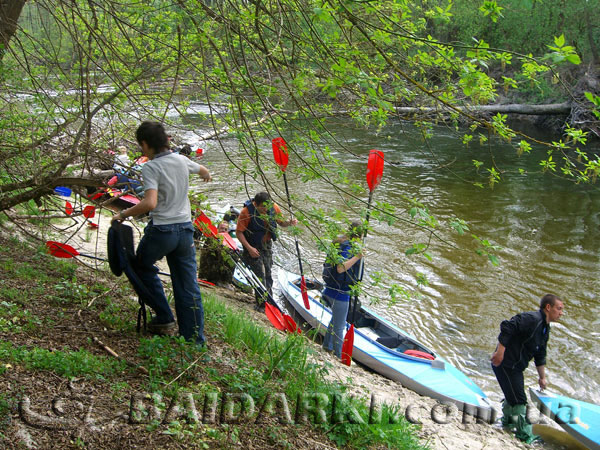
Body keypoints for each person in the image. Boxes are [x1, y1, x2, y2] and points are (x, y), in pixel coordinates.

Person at [111, 121, 212, 347]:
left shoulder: (150, 167)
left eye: (141, 145)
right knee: (188, 285)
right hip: (186, 231)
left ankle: (164, 316)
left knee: (140, 267)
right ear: (166, 141)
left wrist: (124, 214)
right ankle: (194, 339)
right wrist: (206, 176)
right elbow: (204, 170)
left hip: (162, 231)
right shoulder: (182, 160)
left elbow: (150, 202)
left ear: (146, 144)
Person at [490, 294, 564, 444]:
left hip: (516, 367)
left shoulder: (544, 329)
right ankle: (525, 436)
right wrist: (500, 352)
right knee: (519, 401)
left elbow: (540, 354)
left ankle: (507, 424)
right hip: (506, 364)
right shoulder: (533, 319)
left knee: (513, 397)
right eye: (559, 308)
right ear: (548, 307)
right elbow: (508, 326)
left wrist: (542, 377)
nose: (561, 313)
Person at [235, 191, 297, 310]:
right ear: (256, 204)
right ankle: (261, 304)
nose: (265, 210)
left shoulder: (274, 207)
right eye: (263, 207)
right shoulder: (246, 212)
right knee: (259, 275)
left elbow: (281, 223)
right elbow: (239, 233)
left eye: (267, 206)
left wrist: (290, 223)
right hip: (252, 244)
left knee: (268, 272)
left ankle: (270, 301)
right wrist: (249, 249)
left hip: (266, 244)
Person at [322, 221, 363, 358]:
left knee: (335, 321)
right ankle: (339, 355)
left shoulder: (340, 241)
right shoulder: (348, 247)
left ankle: (327, 346)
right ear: (360, 235)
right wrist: (357, 257)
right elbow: (340, 268)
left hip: (330, 289)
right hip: (340, 294)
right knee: (339, 326)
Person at [198, 221, 235, 286]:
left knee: (233, 257)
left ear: (228, 231)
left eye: (225, 229)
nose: (223, 230)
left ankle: (225, 281)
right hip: (209, 268)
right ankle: (214, 279)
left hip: (220, 268)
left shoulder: (229, 242)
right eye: (221, 228)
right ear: (217, 229)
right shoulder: (211, 239)